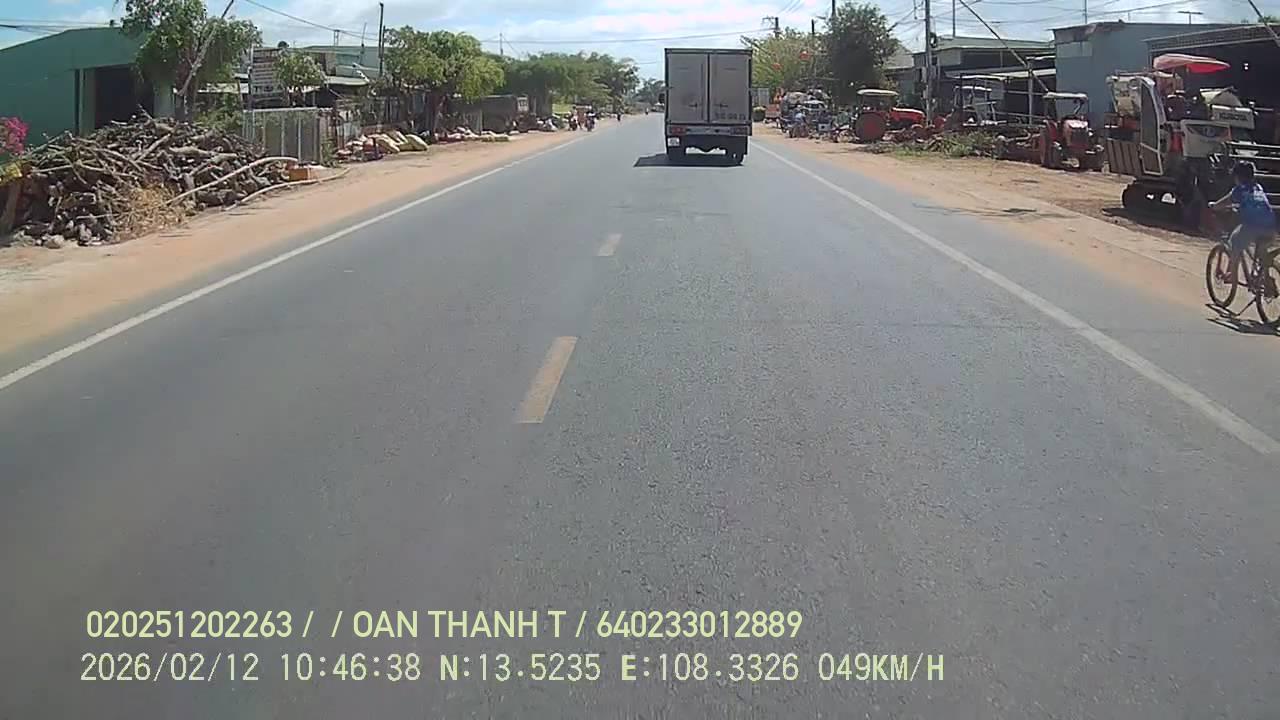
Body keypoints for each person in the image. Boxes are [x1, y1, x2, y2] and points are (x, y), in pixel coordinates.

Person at [1210, 161, 1277, 283]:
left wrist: (1214, 206)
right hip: (1271, 227)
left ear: (1237, 177)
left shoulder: (1239, 190)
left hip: (1252, 226)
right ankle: (1266, 279)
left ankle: (1232, 276)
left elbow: (1226, 201)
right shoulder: (1258, 187)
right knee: (1262, 251)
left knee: (1234, 243)